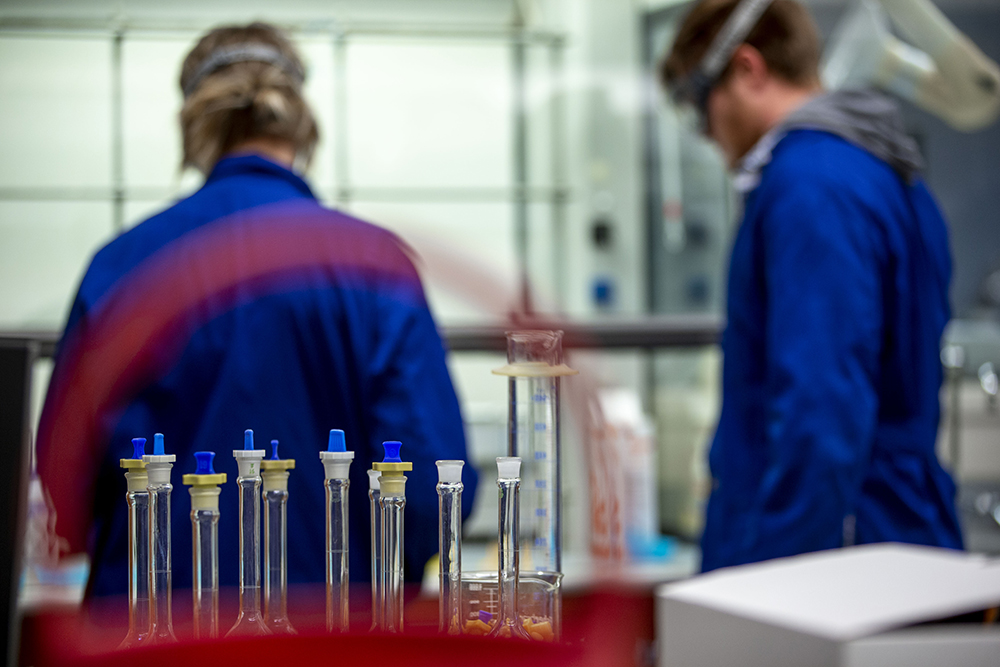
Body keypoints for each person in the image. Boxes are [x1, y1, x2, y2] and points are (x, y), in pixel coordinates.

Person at [37, 22, 477, 599]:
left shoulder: (121, 268)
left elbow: (60, 492)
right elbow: (430, 490)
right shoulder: (377, 267)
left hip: (149, 635)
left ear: (194, 129)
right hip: (336, 635)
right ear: (301, 127)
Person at [659, 0, 963, 571]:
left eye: (702, 105)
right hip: (898, 533)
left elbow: (821, 417)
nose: (706, 133)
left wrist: (771, 588)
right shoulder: (883, 170)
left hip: (835, 552)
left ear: (747, 70)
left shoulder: (810, 189)